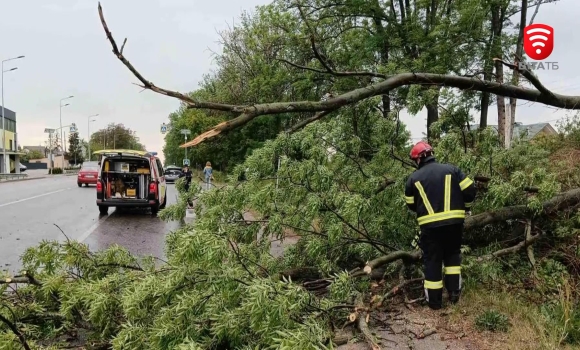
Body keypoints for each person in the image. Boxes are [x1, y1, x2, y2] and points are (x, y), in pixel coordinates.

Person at [404, 141, 476, 310]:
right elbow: (470, 190)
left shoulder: (413, 179)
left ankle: (435, 302)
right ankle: (454, 294)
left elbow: (411, 205)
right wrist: (466, 208)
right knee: (452, 256)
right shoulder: (452, 170)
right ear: (431, 154)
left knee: (432, 260)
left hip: (430, 227)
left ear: (418, 159)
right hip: (454, 224)